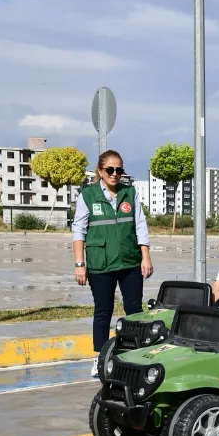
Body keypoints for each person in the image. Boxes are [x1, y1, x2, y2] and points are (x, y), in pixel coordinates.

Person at [72, 150, 153, 377]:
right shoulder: (88, 195)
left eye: (119, 170)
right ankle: (100, 357)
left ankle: (134, 354)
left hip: (130, 262)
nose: (115, 174)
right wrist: (79, 264)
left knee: (134, 311)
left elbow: (140, 226)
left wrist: (146, 257)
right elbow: (78, 230)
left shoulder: (129, 192)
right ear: (100, 171)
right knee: (103, 310)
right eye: (110, 169)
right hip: (101, 264)